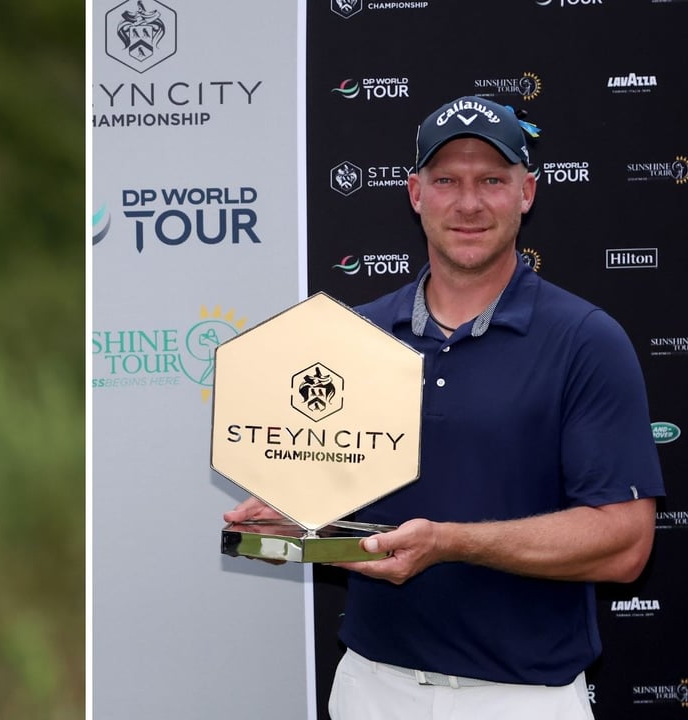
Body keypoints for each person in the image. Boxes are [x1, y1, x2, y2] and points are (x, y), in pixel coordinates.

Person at [224, 95, 664, 719]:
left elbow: (625, 545)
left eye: (491, 180)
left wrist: (450, 543)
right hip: (372, 688)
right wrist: (297, 510)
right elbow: (339, 490)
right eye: (446, 180)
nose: (468, 203)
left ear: (526, 193)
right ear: (415, 193)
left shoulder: (586, 340)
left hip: (521, 700)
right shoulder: (356, 336)